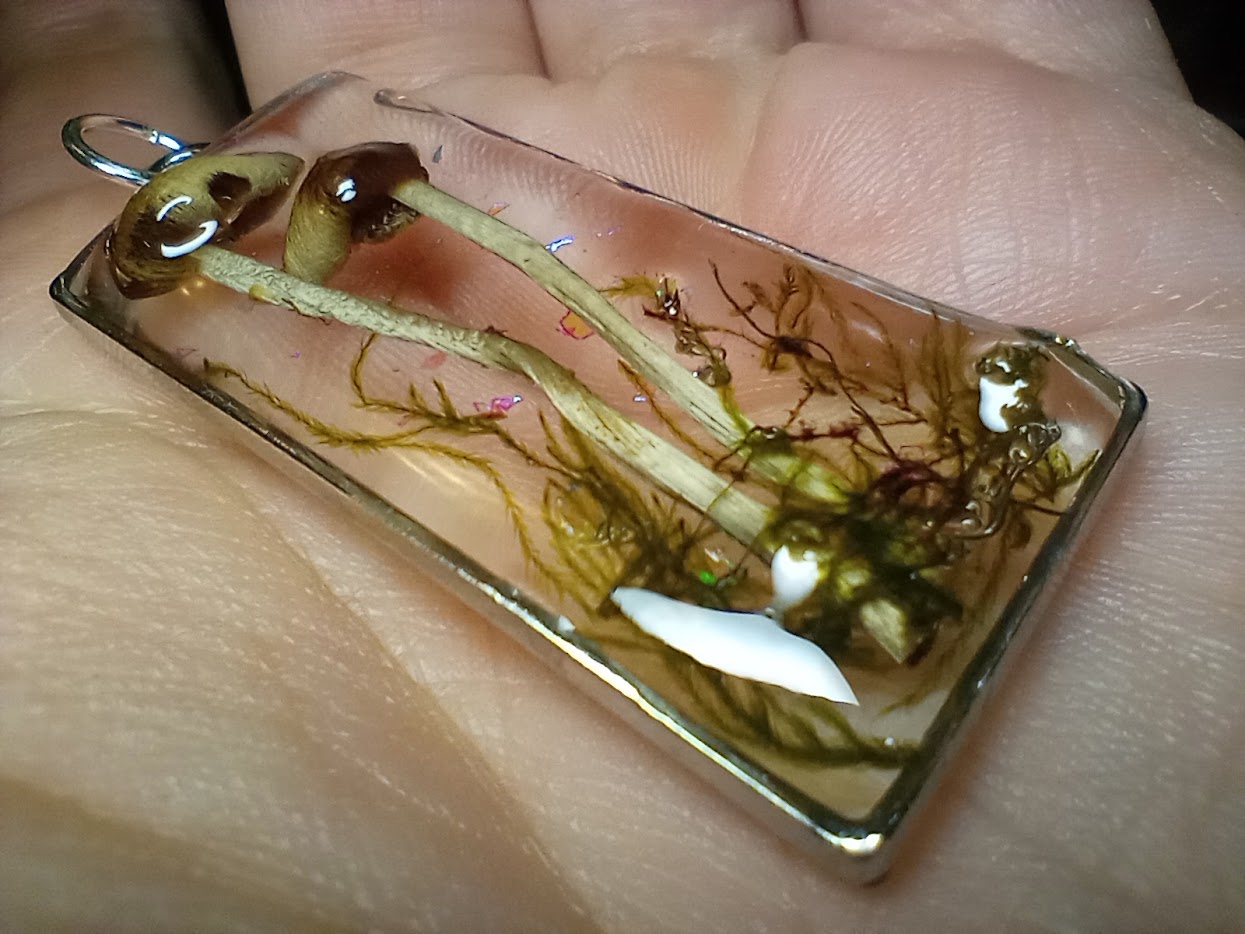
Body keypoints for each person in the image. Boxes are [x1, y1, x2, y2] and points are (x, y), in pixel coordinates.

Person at [2, 1, 1242, 929]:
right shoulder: (213, 263)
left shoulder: (359, 172)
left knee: (590, 351)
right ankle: (828, 557)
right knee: (532, 366)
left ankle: (844, 551)